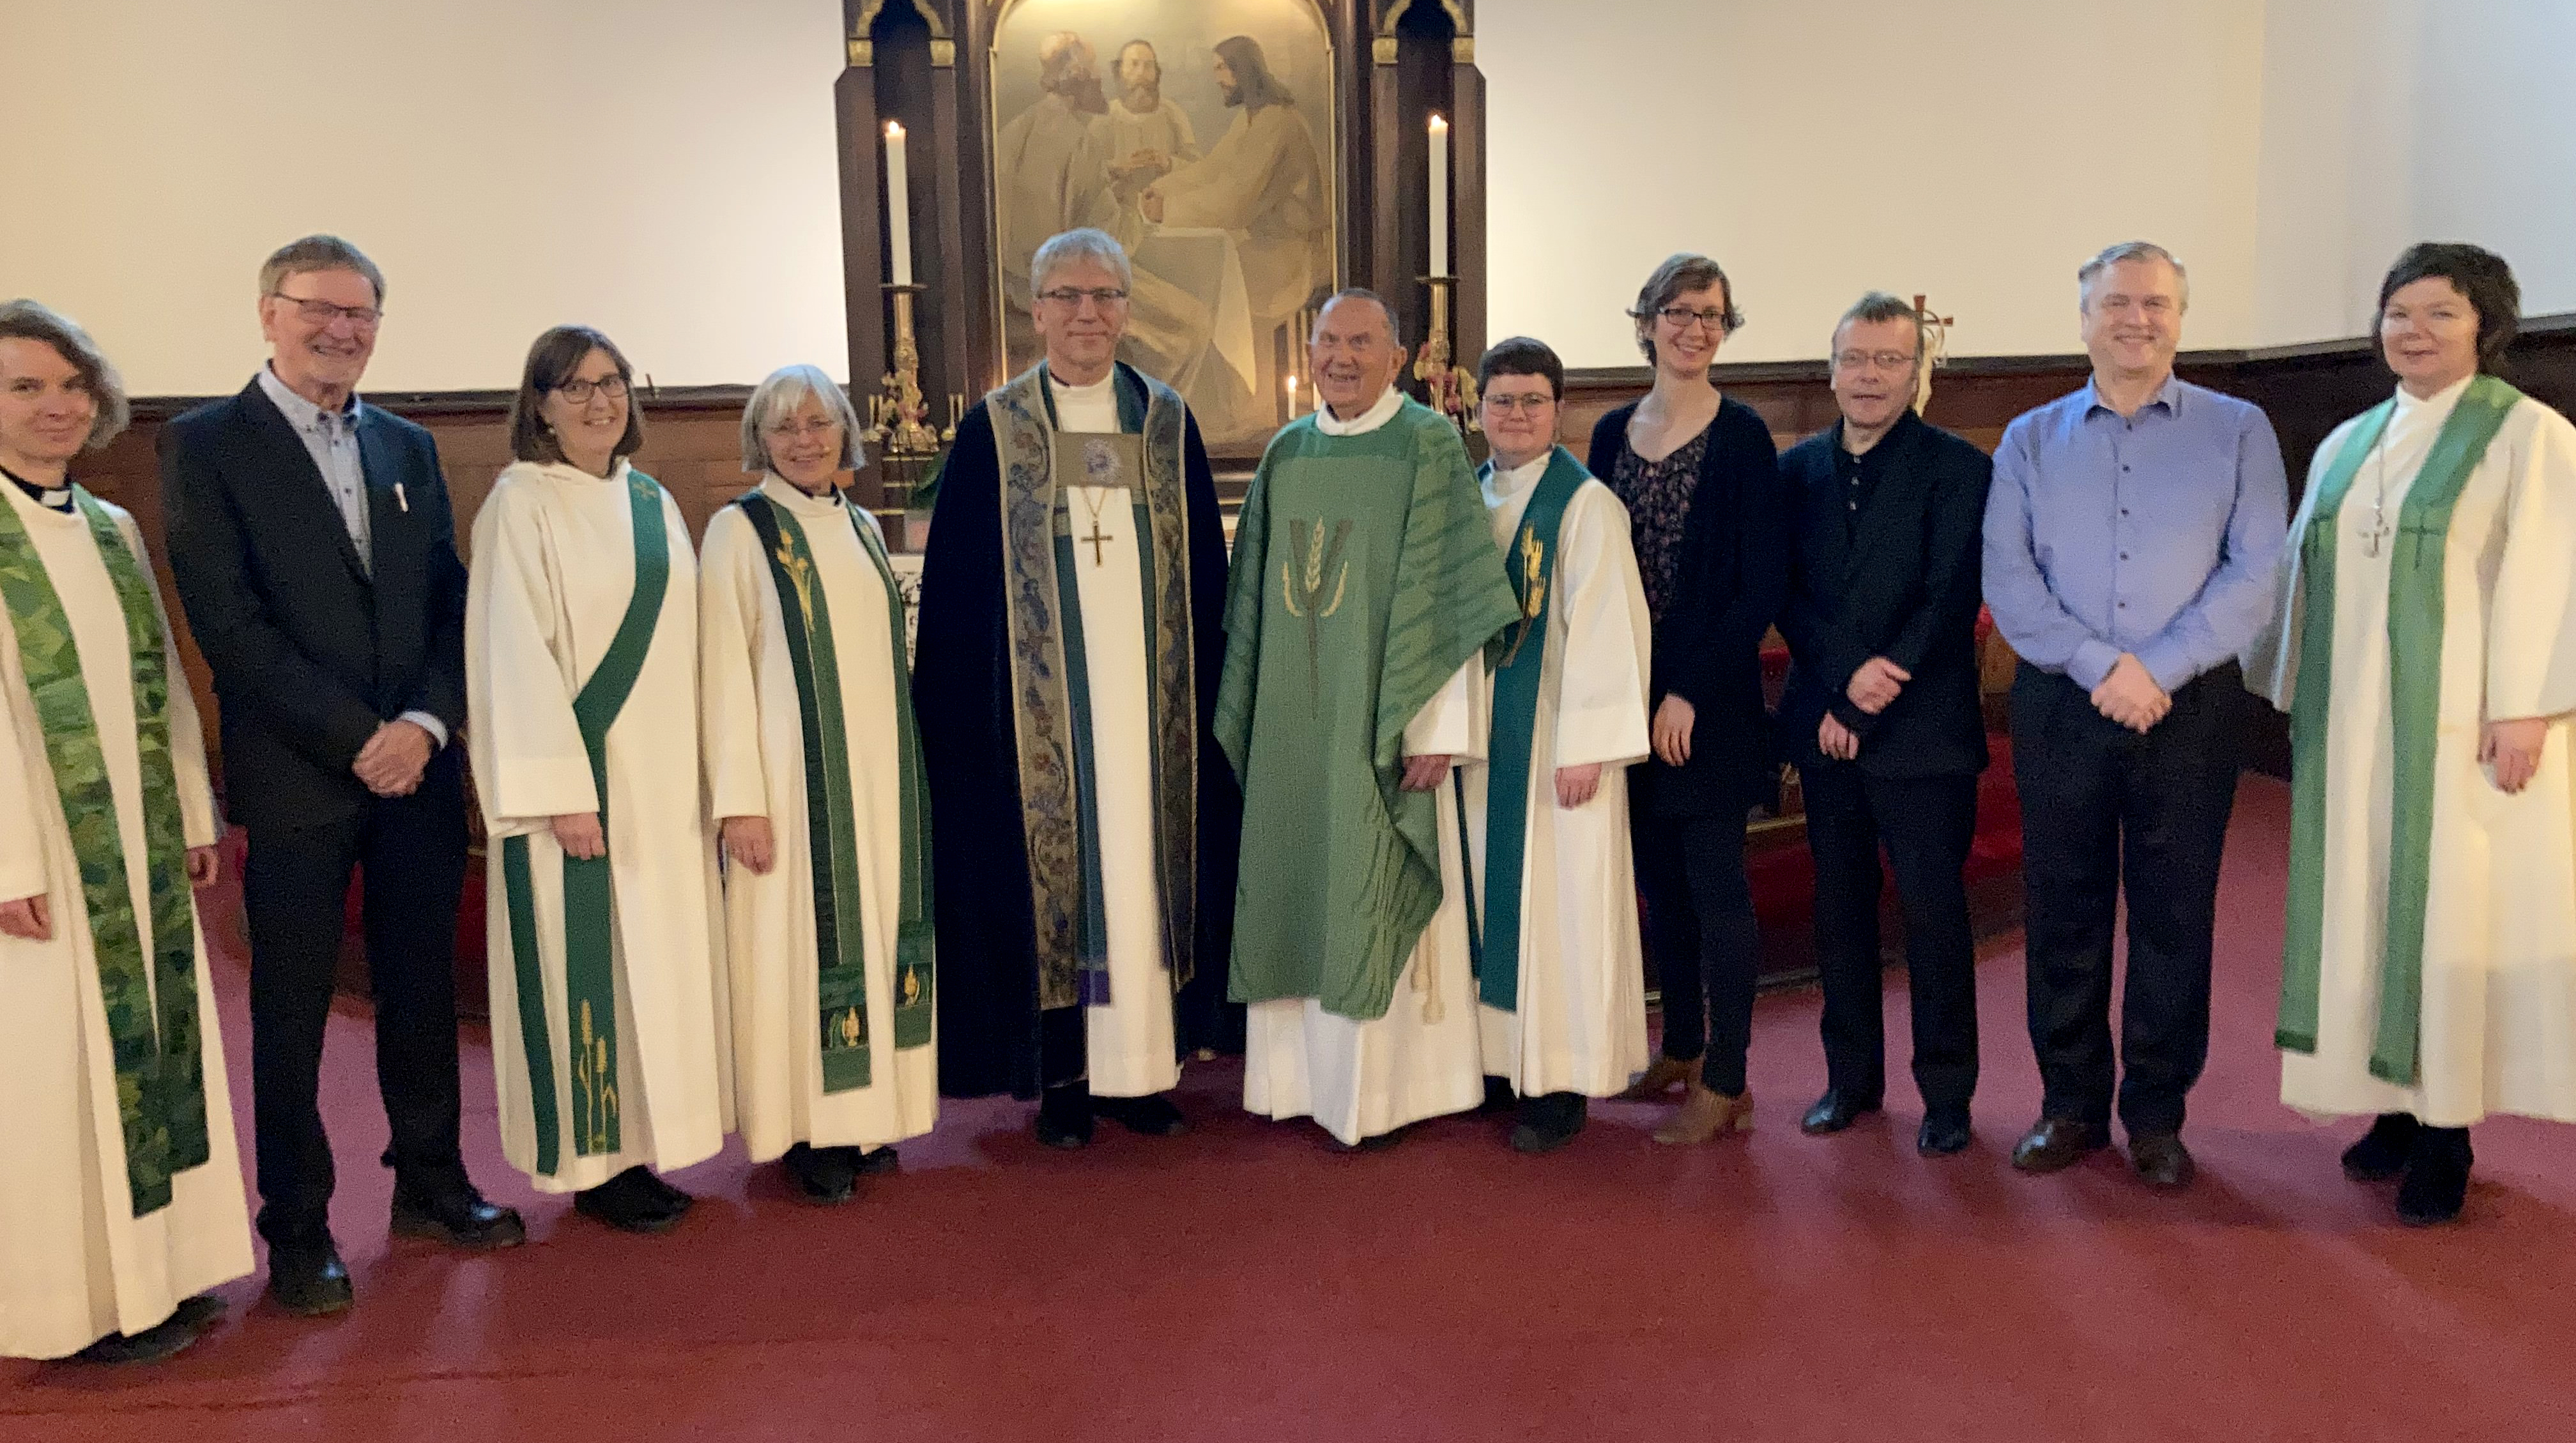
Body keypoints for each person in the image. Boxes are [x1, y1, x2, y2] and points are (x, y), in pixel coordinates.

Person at [159, 236, 518, 1318]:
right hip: (299, 778)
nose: (342, 331)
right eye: (320, 309)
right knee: (293, 1005)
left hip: (413, 774)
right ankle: (300, 1225)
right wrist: (359, 733)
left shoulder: (406, 446)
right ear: (268, 313)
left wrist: (421, 721)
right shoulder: (206, 445)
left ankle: (432, 1178)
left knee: (416, 984)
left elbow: (448, 601)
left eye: (362, 314)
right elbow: (230, 624)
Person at [2246, 243, 2576, 1226]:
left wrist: (2525, 707)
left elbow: (2554, 577)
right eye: (2400, 313)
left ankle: (2448, 1132)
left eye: (2441, 313)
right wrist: (2292, 683)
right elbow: (2304, 572)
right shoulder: (2352, 438)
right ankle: (2389, 1101)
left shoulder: (2530, 435)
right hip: (2356, 736)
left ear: (2488, 325)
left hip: (2463, 739)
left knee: (2448, 922)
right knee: (2367, 908)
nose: (2415, 331)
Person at [915, 229, 1238, 1148]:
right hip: (1041, 717)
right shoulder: (996, 427)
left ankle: (1138, 1069)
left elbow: (1205, 575)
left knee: (1142, 869)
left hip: (1152, 708)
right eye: (1066, 296)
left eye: (1103, 296)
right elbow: (959, 590)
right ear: (1037, 310)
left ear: (1128, 310)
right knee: (1065, 875)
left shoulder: (1167, 421)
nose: (1086, 314)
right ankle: (1063, 1072)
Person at [1983, 241, 2288, 1190]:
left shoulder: (2239, 427)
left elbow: (2258, 571)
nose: (2136, 318)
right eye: (2116, 302)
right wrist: (2096, 665)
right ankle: (2068, 1102)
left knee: (2173, 911)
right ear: (2083, 319)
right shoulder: (2029, 438)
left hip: (2189, 704)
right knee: (2063, 907)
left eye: (2156, 303)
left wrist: (2154, 667)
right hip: (2062, 702)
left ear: (2180, 318)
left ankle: (2157, 1111)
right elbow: (2009, 575)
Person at [0, 302, 249, 1364]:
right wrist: (7, 860)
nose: (57, 406)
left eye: (71, 385)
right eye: (24, 387)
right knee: (59, 1070)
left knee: (155, 1050)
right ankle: (72, 1303)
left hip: (138, 844)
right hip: (43, 856)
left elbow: (163, 685)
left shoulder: (111, 528)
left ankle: (160, 1273)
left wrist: (192, 807)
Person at [1222, 290, 1522, 1149]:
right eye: (1327, 341)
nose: (1341, 357)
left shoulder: (1428, 445)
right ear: (1308, 353)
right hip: (1294, 722)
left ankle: (1389, 1092)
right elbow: (1252, 607)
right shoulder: (1287, 450)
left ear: (1398, 357)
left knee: (1369, 871)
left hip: (1388, 720)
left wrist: (1436, 724)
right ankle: (1295, 1082)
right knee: (1296, 873)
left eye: (1361, 342)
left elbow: (1451, 594)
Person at [466, 326, 730, 1232]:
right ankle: (595, 1161)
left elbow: (689, 647)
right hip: (579, 797)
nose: (598, 401)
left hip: (661, 789)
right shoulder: (520, 505)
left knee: (657, 964)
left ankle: (650, 1140)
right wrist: (562, 792)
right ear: (538, 403)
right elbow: (513, 653)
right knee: (589, 968)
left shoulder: (654, 502)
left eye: (611, 382)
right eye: (573, 387)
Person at [701, 365, 933, 1204]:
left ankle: (871, 1115)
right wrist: (741, 802)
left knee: (874, 936)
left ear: (845, 430)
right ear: (758, 440)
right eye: (784, 426)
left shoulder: (866, 525)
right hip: (792, 790)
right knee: (798, 949)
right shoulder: (740, 531)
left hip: (877, 779)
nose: (805, 438)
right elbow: (722, 671)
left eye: (819, 421)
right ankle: (806, 1127)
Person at [1777, 293, 1994, 1157]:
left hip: (1924, 730)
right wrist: (1839, 685)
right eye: (1855, 359)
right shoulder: (1794, 472)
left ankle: (1946, 1095)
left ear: (1919, 371)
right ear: (1831, 369)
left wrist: (1870, 693)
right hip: (1826, 724)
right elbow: (1783, 592)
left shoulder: (1957, 467)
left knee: (1936, 917)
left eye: (1889, 361)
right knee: (1839, 911)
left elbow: (1950, 599)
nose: (1870, 376)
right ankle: (1850, 1080)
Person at [1586, 254, 1787, 1145]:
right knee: (1658, 884)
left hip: (1708, 702)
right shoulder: (1608, 432)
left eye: (1712, 314)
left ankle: (1731, 1078)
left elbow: (1758, 586)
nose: (1695, 327)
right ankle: (1683, 1045)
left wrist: (1686, 693)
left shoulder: (1743, 435)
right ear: (1648, 322)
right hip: (1626, 698)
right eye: (1678, 310)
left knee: (1715, 887)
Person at [1461, 337, 1653, 1153]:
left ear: (1559, 410)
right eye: (1501, 400)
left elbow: (1615, 630)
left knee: (1563, 914)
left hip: (1555, 750)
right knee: (1488, 905)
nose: (1515, 414)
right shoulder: (1465, 498)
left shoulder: (1586, 508)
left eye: (1532, 400)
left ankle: (1564, 1082)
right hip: (1481, 748)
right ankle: (1502, 1064)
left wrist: (1590, 747)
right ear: (1477, 411)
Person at [1142, 34, 1329, 413]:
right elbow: (1214, 172)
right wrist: (1158, 183)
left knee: (1205, 290)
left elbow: (1234, 200)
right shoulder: (1254, 118)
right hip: (1265, 245)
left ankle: (1235, 411)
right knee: (1199, 280)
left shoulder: (1277, 121)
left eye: (1223, 68)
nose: (1218, 79)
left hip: (1288, 256)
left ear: (1245, 70)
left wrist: (1167, 209)